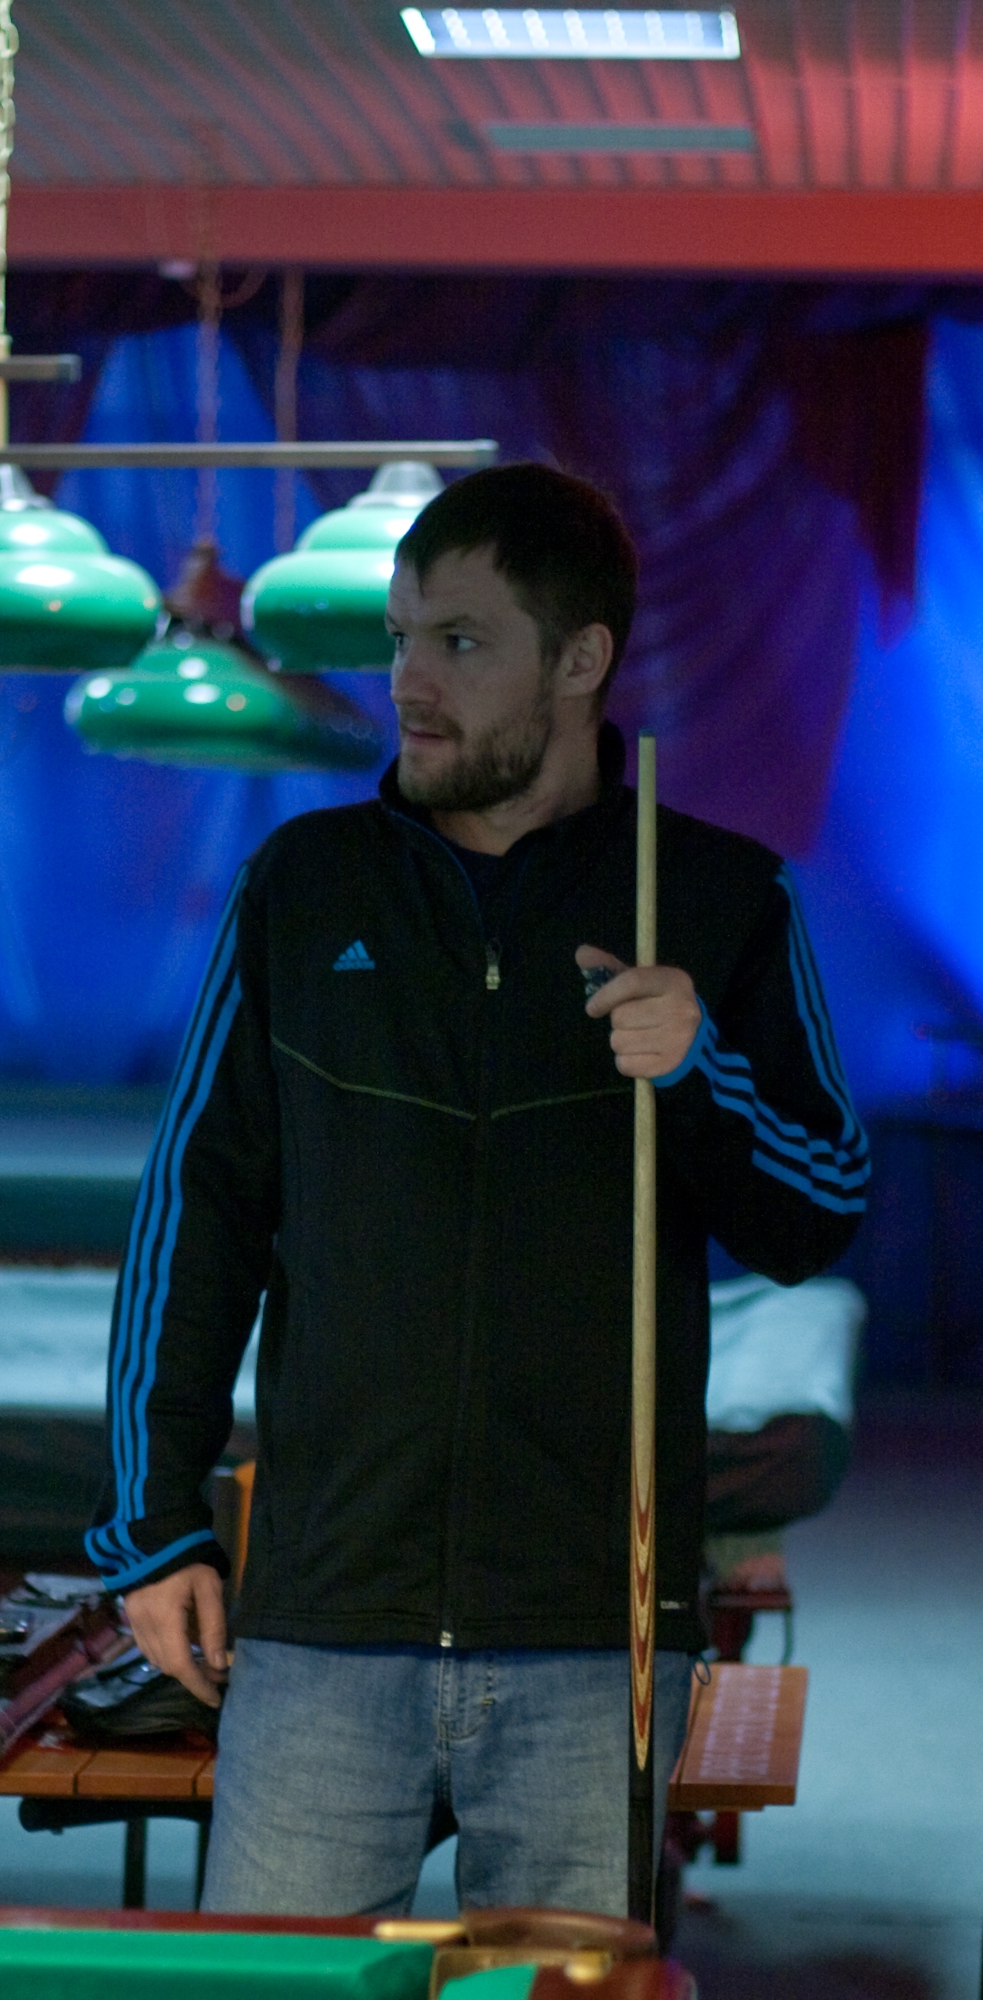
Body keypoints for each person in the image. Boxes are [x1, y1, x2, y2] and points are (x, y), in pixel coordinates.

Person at [86, 463, 868, 1918]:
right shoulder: (301, 887)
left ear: (579, 659)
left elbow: (820, 1211)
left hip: (596, 1633)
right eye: (399, 640)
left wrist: (701, 1071)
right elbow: (191, 1220)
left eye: (459, 641)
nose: (408, 682)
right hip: (327, 1619)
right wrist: (152, 1525)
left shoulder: (718, 897)